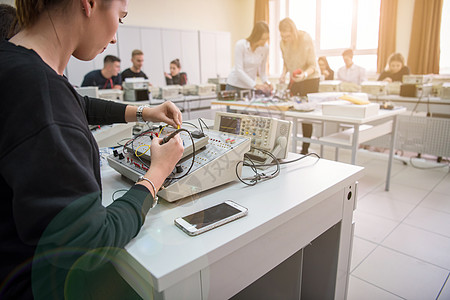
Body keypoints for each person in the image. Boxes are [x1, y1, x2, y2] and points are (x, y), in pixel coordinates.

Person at [0, 0, 184, 299]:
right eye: (120, 19)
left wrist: (144, 112)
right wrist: (157, 173)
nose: (114, 37)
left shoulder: (16, 64)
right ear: (89, 4)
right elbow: (91, 242)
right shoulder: (40, 94)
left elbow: (78, 104)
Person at [279, 17, 320, 155]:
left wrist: (304, 75)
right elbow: (285, 61)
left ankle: (305, 149)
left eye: (288, 36)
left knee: (306, 115)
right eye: (283, 36)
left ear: (294, 32)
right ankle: (284, 146)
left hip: (310, 78)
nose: (286, 39)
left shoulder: (305, 38)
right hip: (295, 79)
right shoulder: (282, 43)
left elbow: (312, 65)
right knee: (288, 109)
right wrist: (283, 74)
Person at [225, 21, 272, 95]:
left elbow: (262, 71)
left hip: (249, 87)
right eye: (262, 39)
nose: (264, 42)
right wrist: (255, 85)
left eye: (267, 39)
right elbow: (239, 70)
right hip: (234, 86)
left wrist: (267, 82)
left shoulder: (265, 48)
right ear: (256, 36)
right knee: (234, 106)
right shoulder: (241, 45)